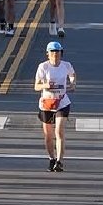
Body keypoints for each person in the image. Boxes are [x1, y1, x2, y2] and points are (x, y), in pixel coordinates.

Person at [34, 40, 77, 172]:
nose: (55, 55)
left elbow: (72, 75)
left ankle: (59, 161)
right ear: (48, 54)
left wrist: (72, 83)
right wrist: (46, 85)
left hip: (62, 102)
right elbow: (36, 86)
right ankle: (51, 158)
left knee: (59, 131)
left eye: (57, 52)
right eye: (52, 52)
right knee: (48, 135)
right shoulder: (43, 67)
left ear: (61, 53)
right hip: (46, 103)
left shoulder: (66, 65)